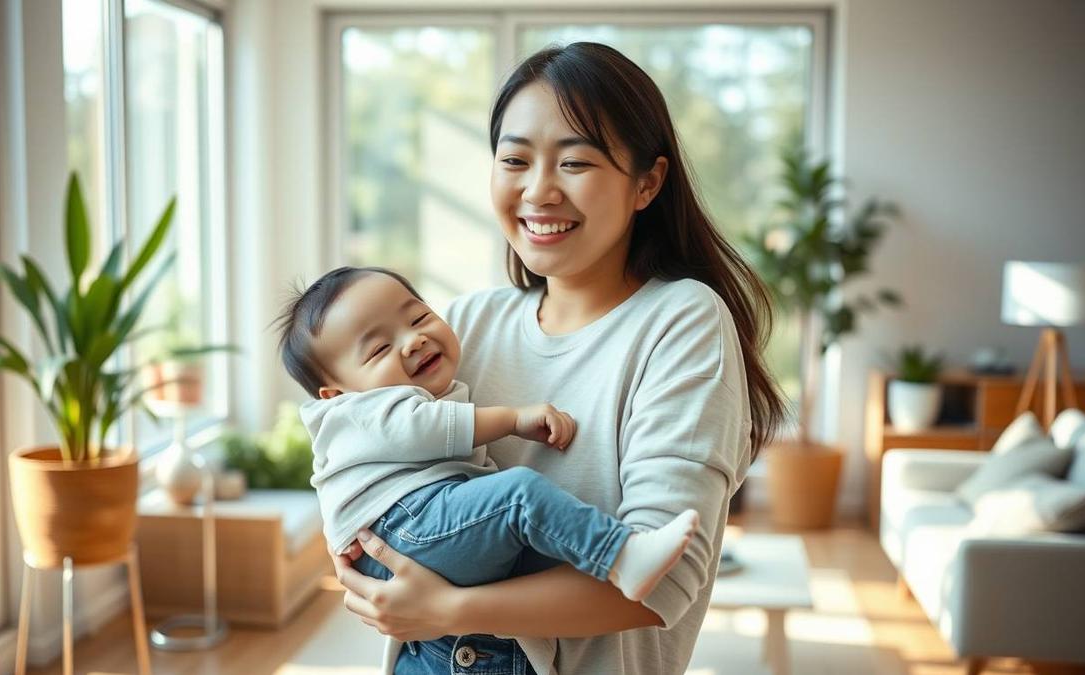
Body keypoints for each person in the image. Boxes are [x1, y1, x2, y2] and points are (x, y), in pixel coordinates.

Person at [332, 42, 787, 675]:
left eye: (575, 162)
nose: (538, 190)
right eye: (514, 159)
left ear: (647, 183)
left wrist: (449, 609)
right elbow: (372, 471)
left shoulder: (681, 321)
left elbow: (664, 582)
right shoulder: (464, 325)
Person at [276, 266, 702, 672]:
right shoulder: (357, 411)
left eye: (419, 317)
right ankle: (622, 555)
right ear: (335, 393)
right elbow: (423, 428)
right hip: (404, 526)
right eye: (379, 349)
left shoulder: (684, 318)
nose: (413, 341)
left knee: (541, 545)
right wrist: (513, 419)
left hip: (414, 537)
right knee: (519, 495)